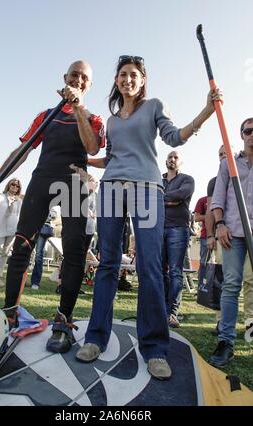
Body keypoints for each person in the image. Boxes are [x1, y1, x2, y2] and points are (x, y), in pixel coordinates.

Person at [76, 55, 221, 380]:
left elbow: (175, 137)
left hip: (146, 188)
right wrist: (85, 160)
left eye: (134, 74)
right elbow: (111, 157)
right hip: (112, 188)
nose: (128, 79)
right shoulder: (112, 121)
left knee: (150, 267)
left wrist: (206, 112)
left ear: (142, 80)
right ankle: (95, 338)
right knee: (108, 263)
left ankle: (154, 348)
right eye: (123, 74)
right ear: (117, 81)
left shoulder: (154, 105)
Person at [0, 60, 105, 354]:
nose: (79, 80)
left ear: (89, 85)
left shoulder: (94, 118)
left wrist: (79, 108)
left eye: (84, 77)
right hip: (43, 177)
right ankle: (9, 314)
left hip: (74, 181)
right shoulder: (46, 116)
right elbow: (22, 151)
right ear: (64, 78)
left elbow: (92, 148)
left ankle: (63, 321)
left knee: (74, 249)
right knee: (22, 245)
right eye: (74, 75)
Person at [209, 117, 253, 367]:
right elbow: (218, 198)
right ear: (241, 135)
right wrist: (219, 224)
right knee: (231, 284)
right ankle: (226, 341)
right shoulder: (228, 165)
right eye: (248, 130)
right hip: (233, 233)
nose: (252, 134)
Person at [162, 151, 195, 327]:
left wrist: (163, 198)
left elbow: (181, 195)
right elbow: (149, 199)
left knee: (175, 271)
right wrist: (170, 200)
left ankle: (172, 313)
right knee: (160, 271)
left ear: (180, 161)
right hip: (158, 229)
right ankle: (162, 310)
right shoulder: (157, 180)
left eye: (175, 157)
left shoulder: (187, 179)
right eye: (170, 157)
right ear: (165, 160)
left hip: (178, 229)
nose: (172, 159)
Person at [30, 207, 58, 290]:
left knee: (39, 255)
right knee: (25, 253)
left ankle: (35, 282)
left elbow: (54, 215)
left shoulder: (50, 204)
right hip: (30, 227)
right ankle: (20, 279)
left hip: (42, 229)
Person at [194, 195, 208, 264]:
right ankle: (202, 275)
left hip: (224, 235)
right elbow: (196, 218)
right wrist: (212, 216)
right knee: (204, 262)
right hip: (206, 236)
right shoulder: (203, 200)